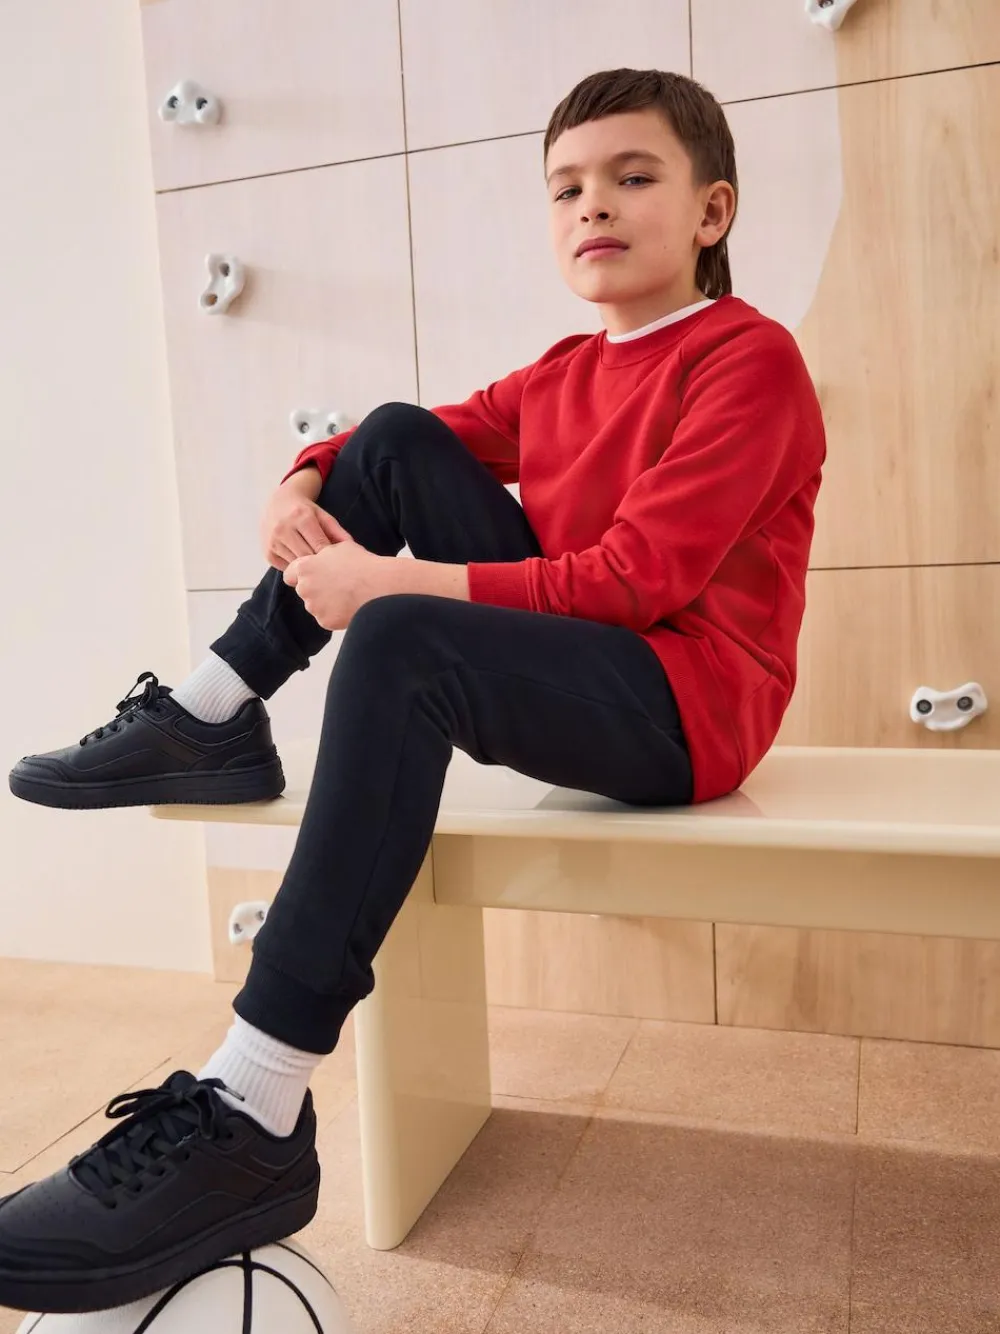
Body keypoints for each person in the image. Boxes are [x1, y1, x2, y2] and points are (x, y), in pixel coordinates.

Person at [1, 66, 826, 1314]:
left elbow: (633, 580)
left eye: (631, 177)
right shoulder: (563, 371)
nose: (592, 206)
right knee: (391, 435)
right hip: (587, 670)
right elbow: (390, 447)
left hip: (689, 706)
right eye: (566, 188)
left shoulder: (749, 360)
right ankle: (212, 710)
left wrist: (384, 582)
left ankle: (253, 1097)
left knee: (397, 637)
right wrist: (301, 476)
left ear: (712, 210)